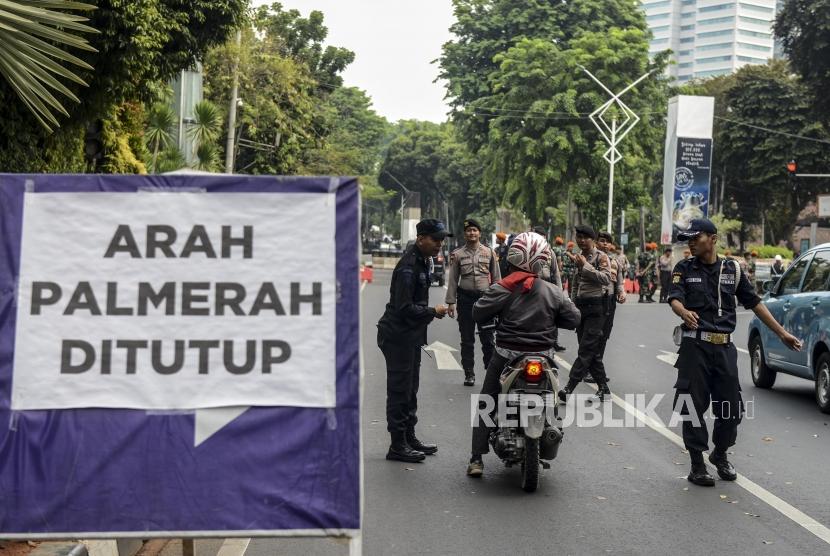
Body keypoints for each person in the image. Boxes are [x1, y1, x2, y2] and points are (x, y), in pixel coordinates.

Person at [668, 218, 802, 486]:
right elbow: (674, 297)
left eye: (697, 237)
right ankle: (697, 464)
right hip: (695, 346)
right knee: (692, 406)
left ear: (713, 239)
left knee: (731, 408)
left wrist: (782, 333)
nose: (691, 242)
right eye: (689, 238)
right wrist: (682, 311)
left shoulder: (733, 270)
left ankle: (720, 453)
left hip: (724, 347)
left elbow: (754, 303)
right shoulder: (684, 268)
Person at [466, 232, 581, 476]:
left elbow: (478, 313)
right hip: (544, 359)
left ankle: (476, 458)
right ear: (544, 261)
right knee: (553, 398)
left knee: (487, 401)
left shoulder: (503, 288)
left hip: (507, 356)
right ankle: (552, 426)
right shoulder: (553, 291)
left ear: (513, 258)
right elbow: (574, 319)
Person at [377, 219, 451, 463]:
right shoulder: (409, 267)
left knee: (411, 389)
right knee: (399, 391)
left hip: (411, 336)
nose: (439, 244)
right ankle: (397, 445)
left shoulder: (422, 261)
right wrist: (432, 311)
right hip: (398, 336)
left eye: (441, 240)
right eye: (435, 239)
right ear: (421, 239)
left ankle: (409, 437)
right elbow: (404, 308)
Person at [559, 224, 614, 402]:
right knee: (591, 351)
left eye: (585, 237)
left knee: (585, 349)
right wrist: (573, 303)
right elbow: (576, 282)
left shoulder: (601, 257)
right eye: (579, 237)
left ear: (593, 240)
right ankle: (603, 388)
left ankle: (569, 388)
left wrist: (587, 267)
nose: (581, 241)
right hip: (581, 307)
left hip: (597, 307)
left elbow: (606, 279)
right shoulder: (579, 256)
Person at [446, 218, 501, 386]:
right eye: (468, 230)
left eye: (474, 230)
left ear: (479, 233)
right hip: (465, 300)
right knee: (467, 339)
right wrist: (451, 302)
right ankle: (469, 373)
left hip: (485, 300)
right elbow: (453, 279)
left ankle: (491, 374)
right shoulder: (458, 254)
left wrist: (498, 302)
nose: (472, 233)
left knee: (488, 338)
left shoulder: (489, 253)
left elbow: (497, 279)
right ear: (465, 234)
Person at [596, 232, 626, 361]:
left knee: (604, 334)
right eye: (602, 241)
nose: (605, 243)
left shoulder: (615, 261)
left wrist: (622, 292)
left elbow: (619, 281)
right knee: (593, 334)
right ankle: (588, 368)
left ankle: (597, 366)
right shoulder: (590, 258)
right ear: (596, 242)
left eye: (608, 242)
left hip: (609, 301)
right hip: (594, 300)